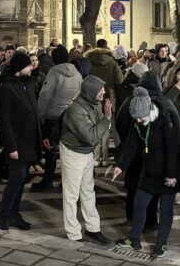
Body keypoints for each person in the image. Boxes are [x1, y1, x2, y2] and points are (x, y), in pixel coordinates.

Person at [113, 88, 179, 257]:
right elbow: (131, 145)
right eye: (135, 118)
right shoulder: (138, 123)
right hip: (149, 171)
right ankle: (134, 238)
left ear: (149, 111)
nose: (138, 120)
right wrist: (121, 165)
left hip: (167, 172)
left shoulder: (166, 120)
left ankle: (161, 244)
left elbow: (173, 149)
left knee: (165, 210)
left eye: (141, 117)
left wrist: (171, 174)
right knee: (140, 203)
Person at [59, 74, 112, 245]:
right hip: (73, 153)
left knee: (88, 191)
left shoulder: (93, 103)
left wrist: (103, 118)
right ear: (91, 91)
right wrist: (107, 118)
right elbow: (92, 136)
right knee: (71, 194)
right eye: (100, 89)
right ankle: (73, 232)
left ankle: (93, 228)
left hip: (86, 152)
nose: (103, 91)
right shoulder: (76, 110)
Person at [0, 52, 42, 230]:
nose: (32, 67)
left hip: (29, 140)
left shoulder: (28, 85)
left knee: (23, 179)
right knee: (17, 178)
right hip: (17, 142)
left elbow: (34, 112)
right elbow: (4, 119)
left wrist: (41, 136)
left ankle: (14, 213)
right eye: (28, 65)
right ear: (18, 69)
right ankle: (4, 215)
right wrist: (11, 146)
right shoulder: (7, 88)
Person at [33, 45, 82, 191]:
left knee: (51, 150)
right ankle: (69, 182)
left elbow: (45, 96)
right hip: (71, 116)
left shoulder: (53, 72)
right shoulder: (77, 74)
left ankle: (47, 180)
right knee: (69, 150)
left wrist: (40, 116)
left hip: (53, 116)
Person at [87, 39, 123, 166]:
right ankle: (106, 158)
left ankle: (96, 158)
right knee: (108, 128)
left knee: (95, 127)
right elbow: (119, 82)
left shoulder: (88, 61)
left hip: (92, 99)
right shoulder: (112, 63)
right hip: (109, 98)